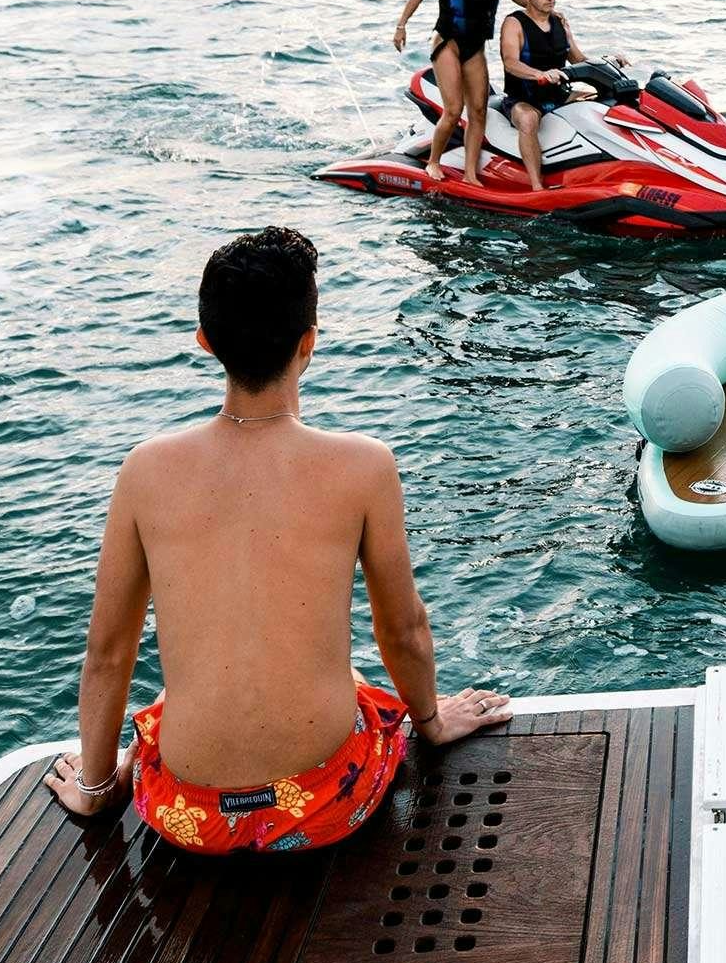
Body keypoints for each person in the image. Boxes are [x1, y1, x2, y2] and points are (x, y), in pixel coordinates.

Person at [42, 227, 510, 852]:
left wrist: (95, 791)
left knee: (169, 701)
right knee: (359, 687)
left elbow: (107, 653)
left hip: (187, 815)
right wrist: (429, 720)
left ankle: (121, 773)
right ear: (308, 343)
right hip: (324, 805)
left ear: (206, 342)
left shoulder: (145, 470)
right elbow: (401, 630)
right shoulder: (364, 465)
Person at [392, 0, 528, 186]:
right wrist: (401, 25)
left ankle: (470, 173)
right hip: (448, 44)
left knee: (479, 111)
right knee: (454, 110)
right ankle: (433, 161)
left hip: (475, 47)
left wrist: (546, 7)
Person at [495, 0, 624, 191]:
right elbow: (510, 62)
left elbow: (578, 59)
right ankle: (536, 186)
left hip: (559, 94)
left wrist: (610, 60)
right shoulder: (514, 23)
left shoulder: (559, 23)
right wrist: (539, 74)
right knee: (527, 120)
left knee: (607, 104)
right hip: (523, 98)